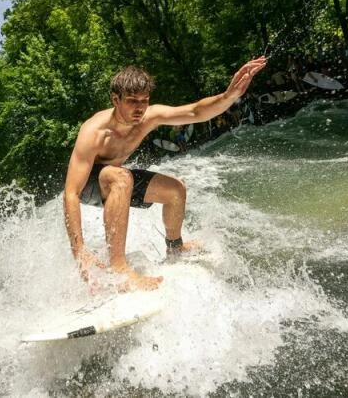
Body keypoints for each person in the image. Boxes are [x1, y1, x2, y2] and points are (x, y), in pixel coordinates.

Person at [63, 57, 267, 291]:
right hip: (89, 184)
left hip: (117, 178)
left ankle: (175, 247)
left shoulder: (149, 117)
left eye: (144, 100)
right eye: (131, 101)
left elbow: (195, 111)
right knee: (120, 176)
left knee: (175, 190)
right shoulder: (95, 133)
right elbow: (71, 193)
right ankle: (119, 268)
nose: (139, 107)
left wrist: (228, 96)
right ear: (115, 99)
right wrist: (80, 253)